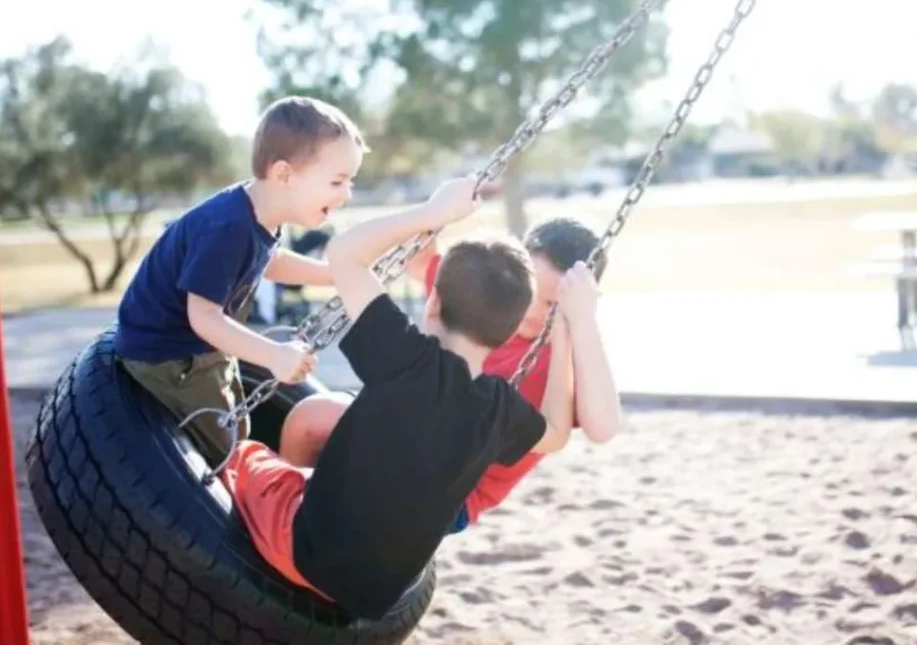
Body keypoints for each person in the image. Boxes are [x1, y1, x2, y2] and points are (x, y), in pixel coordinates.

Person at [218, 176, 609, 620]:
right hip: (375, 598)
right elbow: (556, 434)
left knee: (242, 456)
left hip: (305, 554)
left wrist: (432, 212)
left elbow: (345, 251)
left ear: (433, 304)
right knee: (323, 444)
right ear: (514, 315)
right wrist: (565, 327)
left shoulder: (402, 353)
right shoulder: (500, 408)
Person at [277, 216, 622, 532]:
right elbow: (418, 258)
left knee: (328, 430)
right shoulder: (486, 294)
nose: (534, 310)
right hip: (404, 431)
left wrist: (581, 322)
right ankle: (290, 518)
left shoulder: (567, 356)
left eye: (553, 305)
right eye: (533, 292)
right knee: (308, 422)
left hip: (452, 490)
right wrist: (439, 212)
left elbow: (603, 427)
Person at [114, 96, 365, 466]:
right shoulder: (228, 226)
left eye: (351, 181)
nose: (347, 194)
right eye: (337, 181)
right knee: (224, 444)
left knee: (240, 423)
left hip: (199, 347)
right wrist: (275, 355)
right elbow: (204, 317)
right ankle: (229, 507)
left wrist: (332, 277)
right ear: (284, 175)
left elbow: (270, 260)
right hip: (169, 355)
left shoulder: (259, 212)